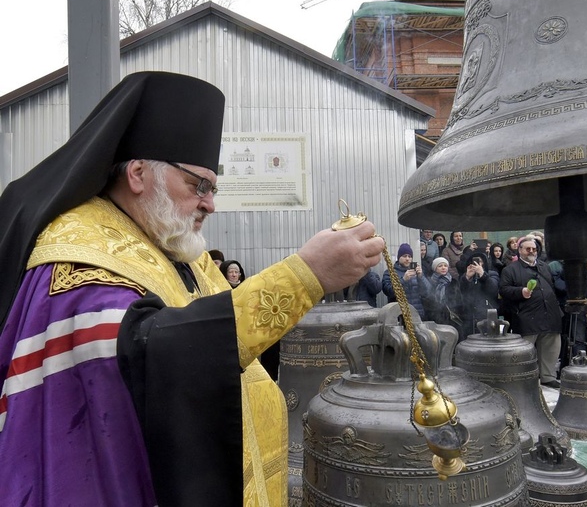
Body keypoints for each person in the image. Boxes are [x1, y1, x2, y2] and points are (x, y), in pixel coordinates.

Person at [0, 72, 384, 507]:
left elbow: (227, 335)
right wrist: (304, 275)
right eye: (198, 185)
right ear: (139, 173)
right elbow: (140, 356)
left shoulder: (179, 248)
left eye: (214, 188)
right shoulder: (76, 249)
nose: (210, 204)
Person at [499, 236, 564, 389]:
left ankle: (547, 376)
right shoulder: (510, 269)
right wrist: (521, 291)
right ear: (519, 250)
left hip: (549, 313)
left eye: (534, 249)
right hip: (527, 315)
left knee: (551, 346)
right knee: (526, 350)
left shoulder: (544, 266)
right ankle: (525, 377)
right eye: (528, 249)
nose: (531, 251)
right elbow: (504, 289)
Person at [382, 243, 432, 319]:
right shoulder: (390, 272)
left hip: (417, 313)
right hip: (398, 315)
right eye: (404, 256)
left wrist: (421, 277)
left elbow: (428, 292)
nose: (407, 259)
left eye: (410, 256)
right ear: (398, 258)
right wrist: (403, 280)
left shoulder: (416, 272)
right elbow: (389, 292)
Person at [459, 250, 500, 341]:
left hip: (486, 314)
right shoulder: (467, 275)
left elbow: (493, 290)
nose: (478, 264)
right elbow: (462, 292)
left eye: (481, 261)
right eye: (475, 261)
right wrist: (467, 278)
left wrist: (482, 275)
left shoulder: (492, 274)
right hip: (470, 315)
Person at [422, 257, 463, 330]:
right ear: (435, 268)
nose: (443, 268)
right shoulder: (431, 282)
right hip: (434, 317)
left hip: (450, 319)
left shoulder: (453, 282)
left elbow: (458, 301)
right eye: (440, 266)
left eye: (445, 266)